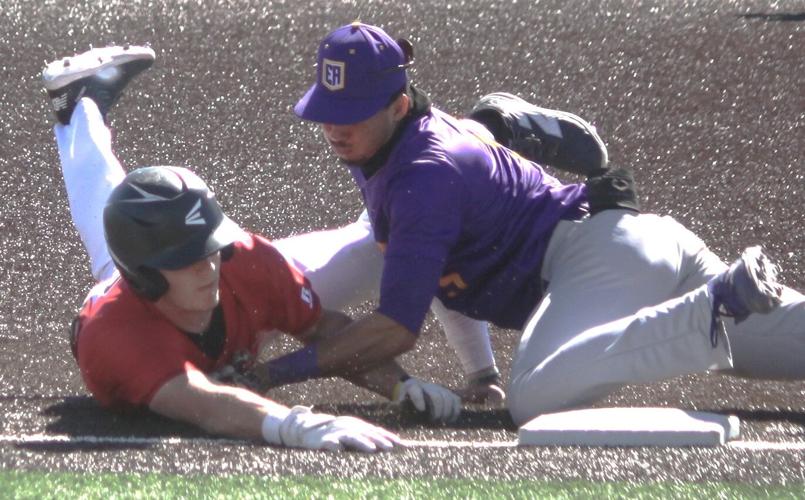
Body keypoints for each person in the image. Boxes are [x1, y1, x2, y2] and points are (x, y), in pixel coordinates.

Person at [254, 21, 805, 427]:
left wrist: (275, 374)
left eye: (350, 113)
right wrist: (478, 373)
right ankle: (501, 122)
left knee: (537, 398)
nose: (333, 127)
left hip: (601, 262)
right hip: (628, 253)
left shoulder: (421, 174)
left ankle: (713, 307)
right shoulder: (392, 147)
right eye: (328, 110)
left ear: (398, 106)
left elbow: (397, 326)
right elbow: (433, 267)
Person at [43, 45, 417, 451]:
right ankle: (80, 104)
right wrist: (293, 426)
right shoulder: (117, 337)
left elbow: (323, 328)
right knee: (114, 223)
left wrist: (401, 385)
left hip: (152, 271)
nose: (208, 270)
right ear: (147, 277)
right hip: (134, 320)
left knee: (374, 244)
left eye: (210, 249)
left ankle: (81, 104)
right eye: (187, 260)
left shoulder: (241, 258)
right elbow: (206, 404)